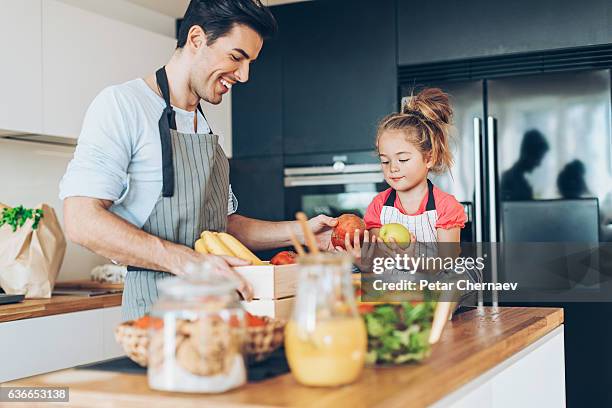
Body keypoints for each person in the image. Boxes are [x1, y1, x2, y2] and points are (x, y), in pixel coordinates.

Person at [59, 0, 336, 321]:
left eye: (250, 62)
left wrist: (303, 233)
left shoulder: (205, 127)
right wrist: (188, 261)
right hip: (159, 318)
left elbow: (223, 226)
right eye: (236, 57)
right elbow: (80, 220)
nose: (245, 75)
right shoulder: (123, 105)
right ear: (196, 39)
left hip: (223, 315)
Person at [338, 88, 466, 263]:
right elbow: (378, 264)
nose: (393, 168)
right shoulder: (379, 206)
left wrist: (411, 261)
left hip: (433, 290)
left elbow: (446, 264)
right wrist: (361, 261)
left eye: (403, 159)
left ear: (429, 158)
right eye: (385, 161)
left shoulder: (446, 208)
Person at [500, 129, 549, 201]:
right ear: (528, 154)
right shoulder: (511, 181)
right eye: (538, 158)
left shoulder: (516, 180)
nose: (538, 164)